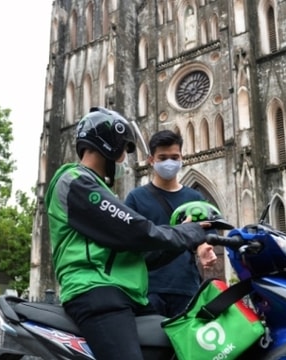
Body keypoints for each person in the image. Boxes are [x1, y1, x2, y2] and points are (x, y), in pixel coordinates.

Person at [44, 107, 211, 360]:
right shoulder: (74, 181)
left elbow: (140, 254)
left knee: (182, 348)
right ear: (110, 145)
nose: (123, 159)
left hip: (126, 295)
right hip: (96, 292)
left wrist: (186, 239)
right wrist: (185, 233)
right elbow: (136, 231)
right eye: (124, 149)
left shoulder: (98, 189)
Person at [125, 130, 217, 317]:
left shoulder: (196, 199)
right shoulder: (136, 198)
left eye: (174, 157)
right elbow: (130, 240)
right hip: (149, 288)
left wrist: (203, 250)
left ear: (182, 157)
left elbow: (203, 235)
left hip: (186, 287)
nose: (169, 162)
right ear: (151, 160)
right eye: (163, 157)